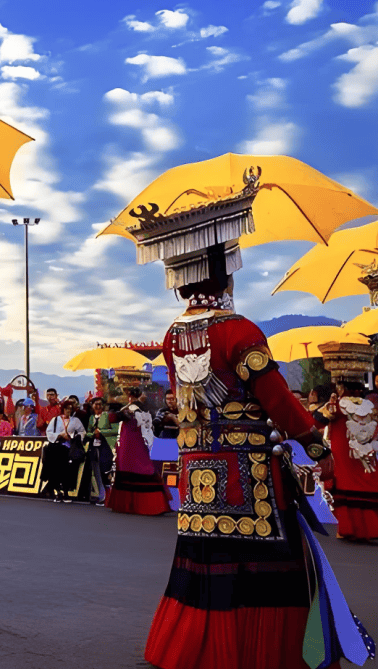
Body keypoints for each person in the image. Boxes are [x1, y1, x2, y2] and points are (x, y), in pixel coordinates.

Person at [123, 177, 373, 669]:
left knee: (204, 555)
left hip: (200, 465)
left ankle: (194, 646)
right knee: (264, 557)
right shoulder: (240, 330)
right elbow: (278, 400)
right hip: (250, 467)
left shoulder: (174, 335)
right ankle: (261, 650)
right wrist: (316, 448)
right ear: (223, 275)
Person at [317, 380, 378, 542]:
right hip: (364, 451)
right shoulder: (370, 404)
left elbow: (316, 419)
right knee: (364, 485)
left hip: (344, 453)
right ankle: (369, 529)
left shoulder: (336, 405)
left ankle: (349, 528)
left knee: (346, 485)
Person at [104, 387, 171, 515]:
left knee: (131, 471)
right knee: (146, 469)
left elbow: (112, 418)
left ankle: (128, 505)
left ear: (130, 397)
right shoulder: (145, 409)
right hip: (142, 443)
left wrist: (117, 409)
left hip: (130, 446)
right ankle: (154, 504)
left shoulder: (130, 409)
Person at [42, 399, 84, 502]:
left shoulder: (75, 420)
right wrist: (60, 435)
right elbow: (49, 432)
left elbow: (82, 432)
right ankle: (58, 492)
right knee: (55, 471)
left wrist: (73, 436)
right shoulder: (55, 420)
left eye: (70, 408)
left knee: (66, 472)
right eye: (66, 408)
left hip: (68, 449)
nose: (68, 410)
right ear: (63, 409)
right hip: (56, 449)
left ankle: (65, 492)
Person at [77, 396, 115, 504]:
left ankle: (109, 496)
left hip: (106, 446)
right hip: (94, 447)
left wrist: (101, 432)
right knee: (96, 471)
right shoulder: (91, 418)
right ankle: (102, 496)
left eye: (100, 404)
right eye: (95, 404)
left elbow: (115, 430)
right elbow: (88, 432)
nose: (98, 406)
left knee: (106, 471)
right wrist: (93, 434)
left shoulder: (108, 416)